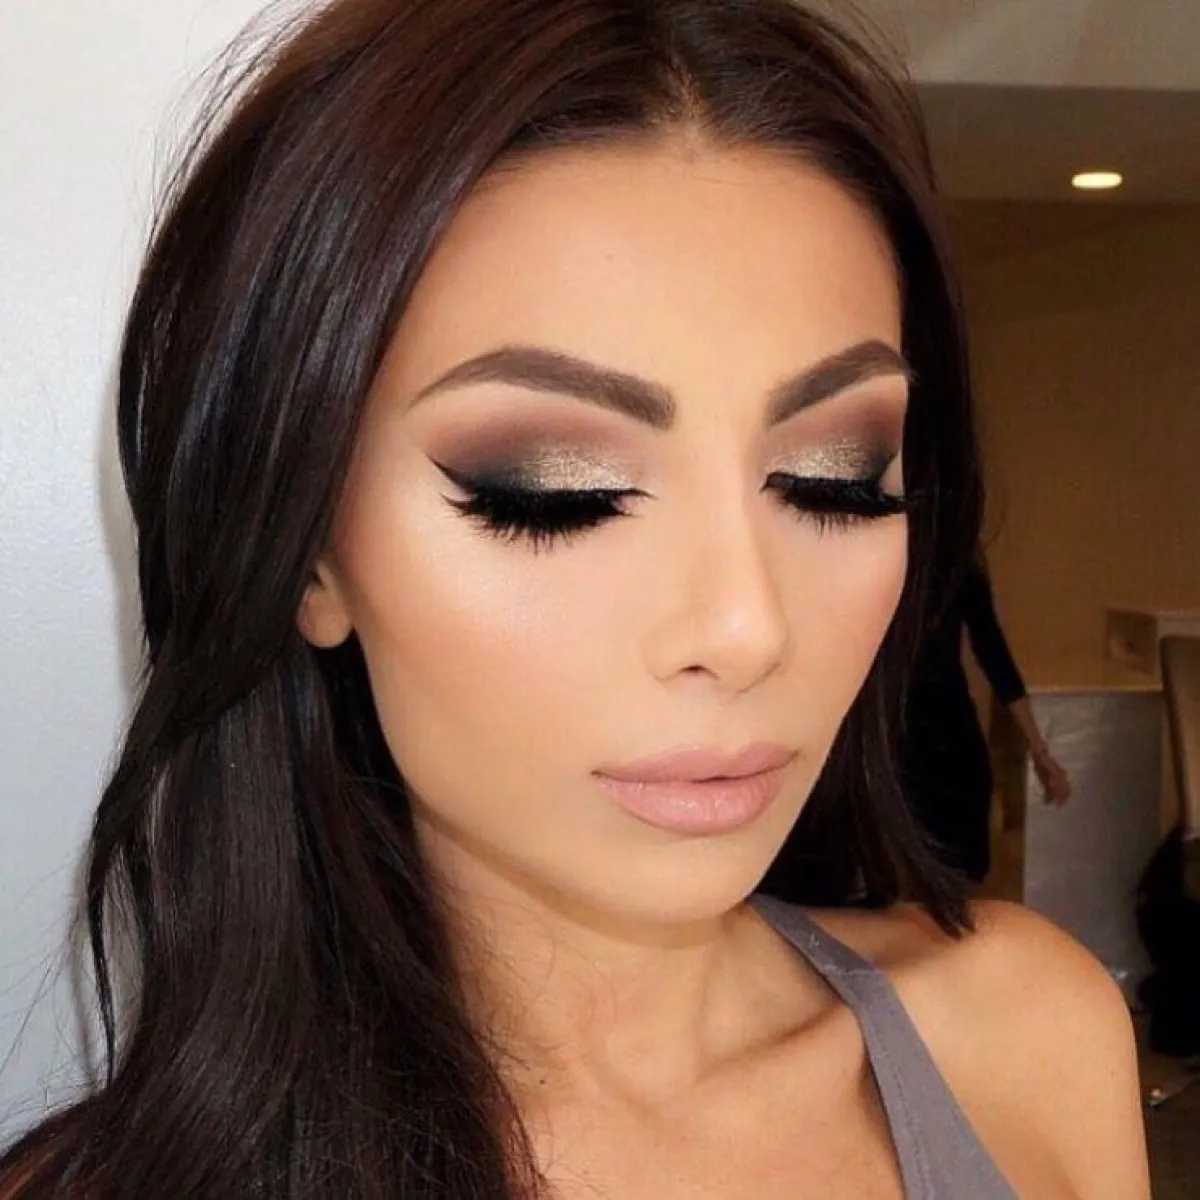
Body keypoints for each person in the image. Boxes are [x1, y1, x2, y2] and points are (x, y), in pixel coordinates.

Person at [1, 1, 1148, 1196]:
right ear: (306, 556)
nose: (746, 628)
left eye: (835, 479)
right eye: (556, 493)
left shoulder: (1031, 1041)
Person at [901, 553, 1072, 884]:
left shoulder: (959, 559)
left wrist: (1039, 750)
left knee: (961, 866)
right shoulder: (882, 552)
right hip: (893, 739)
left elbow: (992, 648)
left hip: (950, 733)